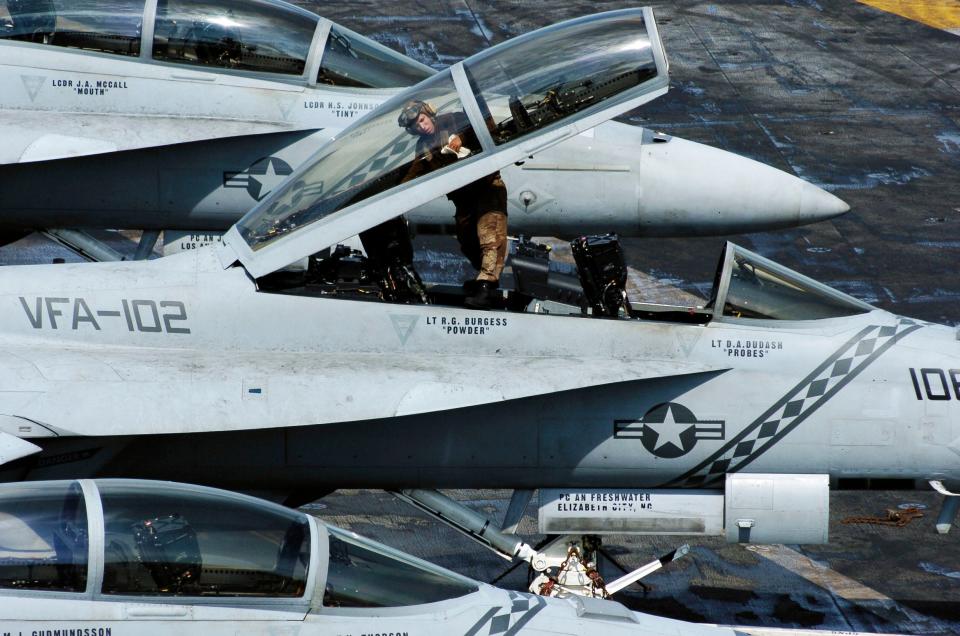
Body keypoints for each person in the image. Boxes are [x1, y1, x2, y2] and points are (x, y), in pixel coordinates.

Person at [397, 100, 508, 309]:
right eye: (416, 126)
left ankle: (486, 285)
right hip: (464, 199)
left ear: (429, 115)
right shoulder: (423, 146)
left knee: (489, 235)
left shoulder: (453, 120)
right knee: (467, 241)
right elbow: (414, 171)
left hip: (486, 187)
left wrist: (460, 138)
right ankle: (484, 278)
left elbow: (479, 125)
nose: (422, 126)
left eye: (422, 120)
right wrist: (396, 192)